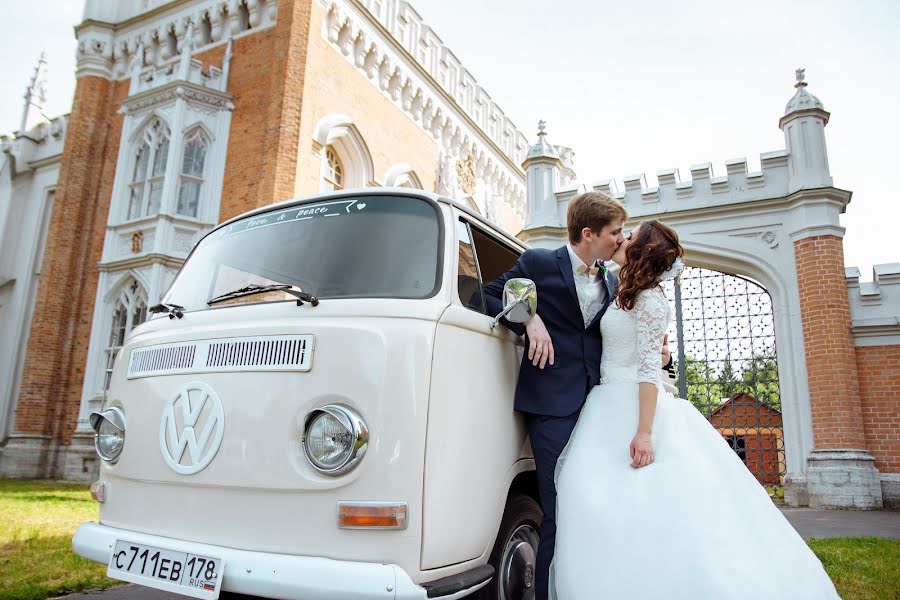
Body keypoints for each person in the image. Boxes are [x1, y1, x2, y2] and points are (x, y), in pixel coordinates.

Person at [549, 220, 840, 599]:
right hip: (604, 405)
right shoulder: (622, 291)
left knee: (652, 508)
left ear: (644, 252)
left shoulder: (652, 300)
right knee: (597, 504)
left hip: (635, 409)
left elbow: (650, 368)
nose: (622, 238)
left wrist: (643, 432)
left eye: (631, 236)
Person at [483, 191, 626, 600]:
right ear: (589, 233)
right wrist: (531, 320)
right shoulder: (538, 262)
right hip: (550, 406)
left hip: (596, 406)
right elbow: (492, 293)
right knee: (558, 508)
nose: (620, 238)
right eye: (614, 232)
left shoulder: (610, 279)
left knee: (590, 503)